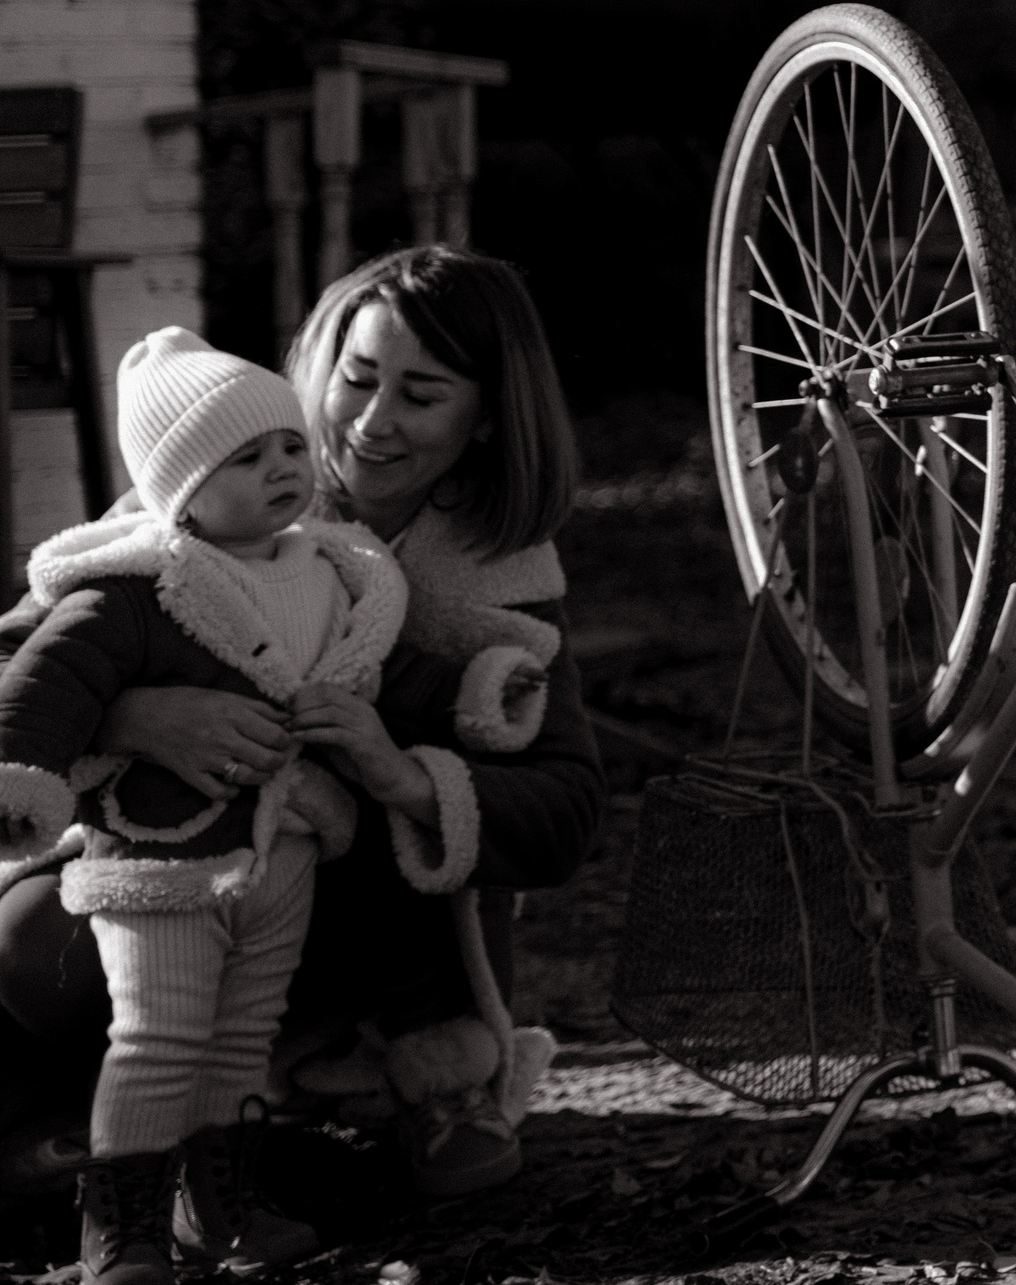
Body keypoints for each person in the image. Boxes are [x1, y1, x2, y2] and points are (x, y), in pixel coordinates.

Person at [0, 247, 603, 1216]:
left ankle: (395, 1079)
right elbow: (27, 671)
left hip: (352, 906)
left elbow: (568, 806)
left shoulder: (501, 575)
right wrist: (133, 714)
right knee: (33, 950)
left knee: (362, 877)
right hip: (161, 857)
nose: (371, 422)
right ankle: (110, 1118)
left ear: (487, 416)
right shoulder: (209, 475)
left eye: (422, 394)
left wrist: (402, 774)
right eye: (356, 379)